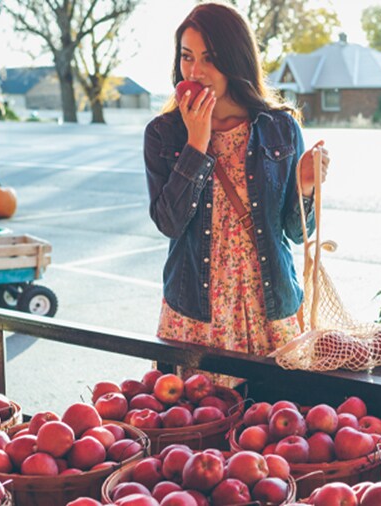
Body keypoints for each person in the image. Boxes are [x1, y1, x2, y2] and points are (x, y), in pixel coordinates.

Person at [144, 3, 331, 369]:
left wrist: (306, 185)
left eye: (209, 58)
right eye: (186, 57)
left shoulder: (280, 127)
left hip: (270, 309)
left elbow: (294, 232)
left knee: (275, 422)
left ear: (235, 58)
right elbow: (169, 223)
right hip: (197, 314)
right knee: (200, 421)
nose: (195, 71)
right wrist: (196, 145)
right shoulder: (163, 134)